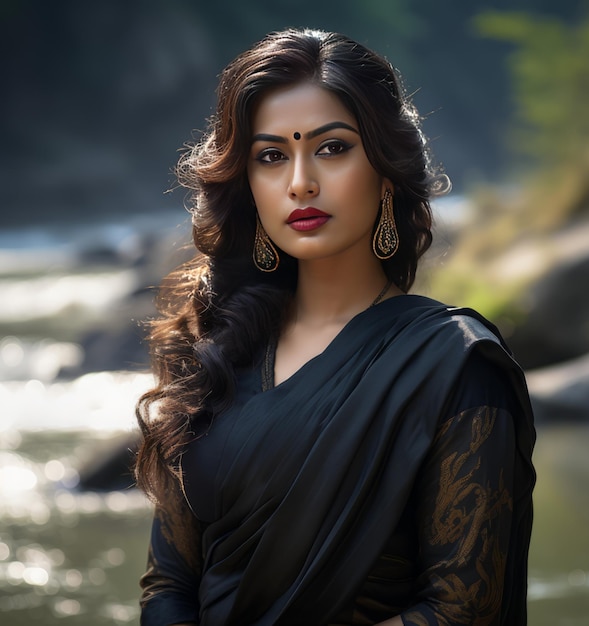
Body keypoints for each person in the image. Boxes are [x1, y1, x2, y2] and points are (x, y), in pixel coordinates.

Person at [135, 28, 536, 626]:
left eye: (332, 148)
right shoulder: (214, 356)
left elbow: (460, 612)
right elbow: (168, 585)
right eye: (272, 156)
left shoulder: (453, 366)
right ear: (247, 183)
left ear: (387, 172)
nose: (300, 181)